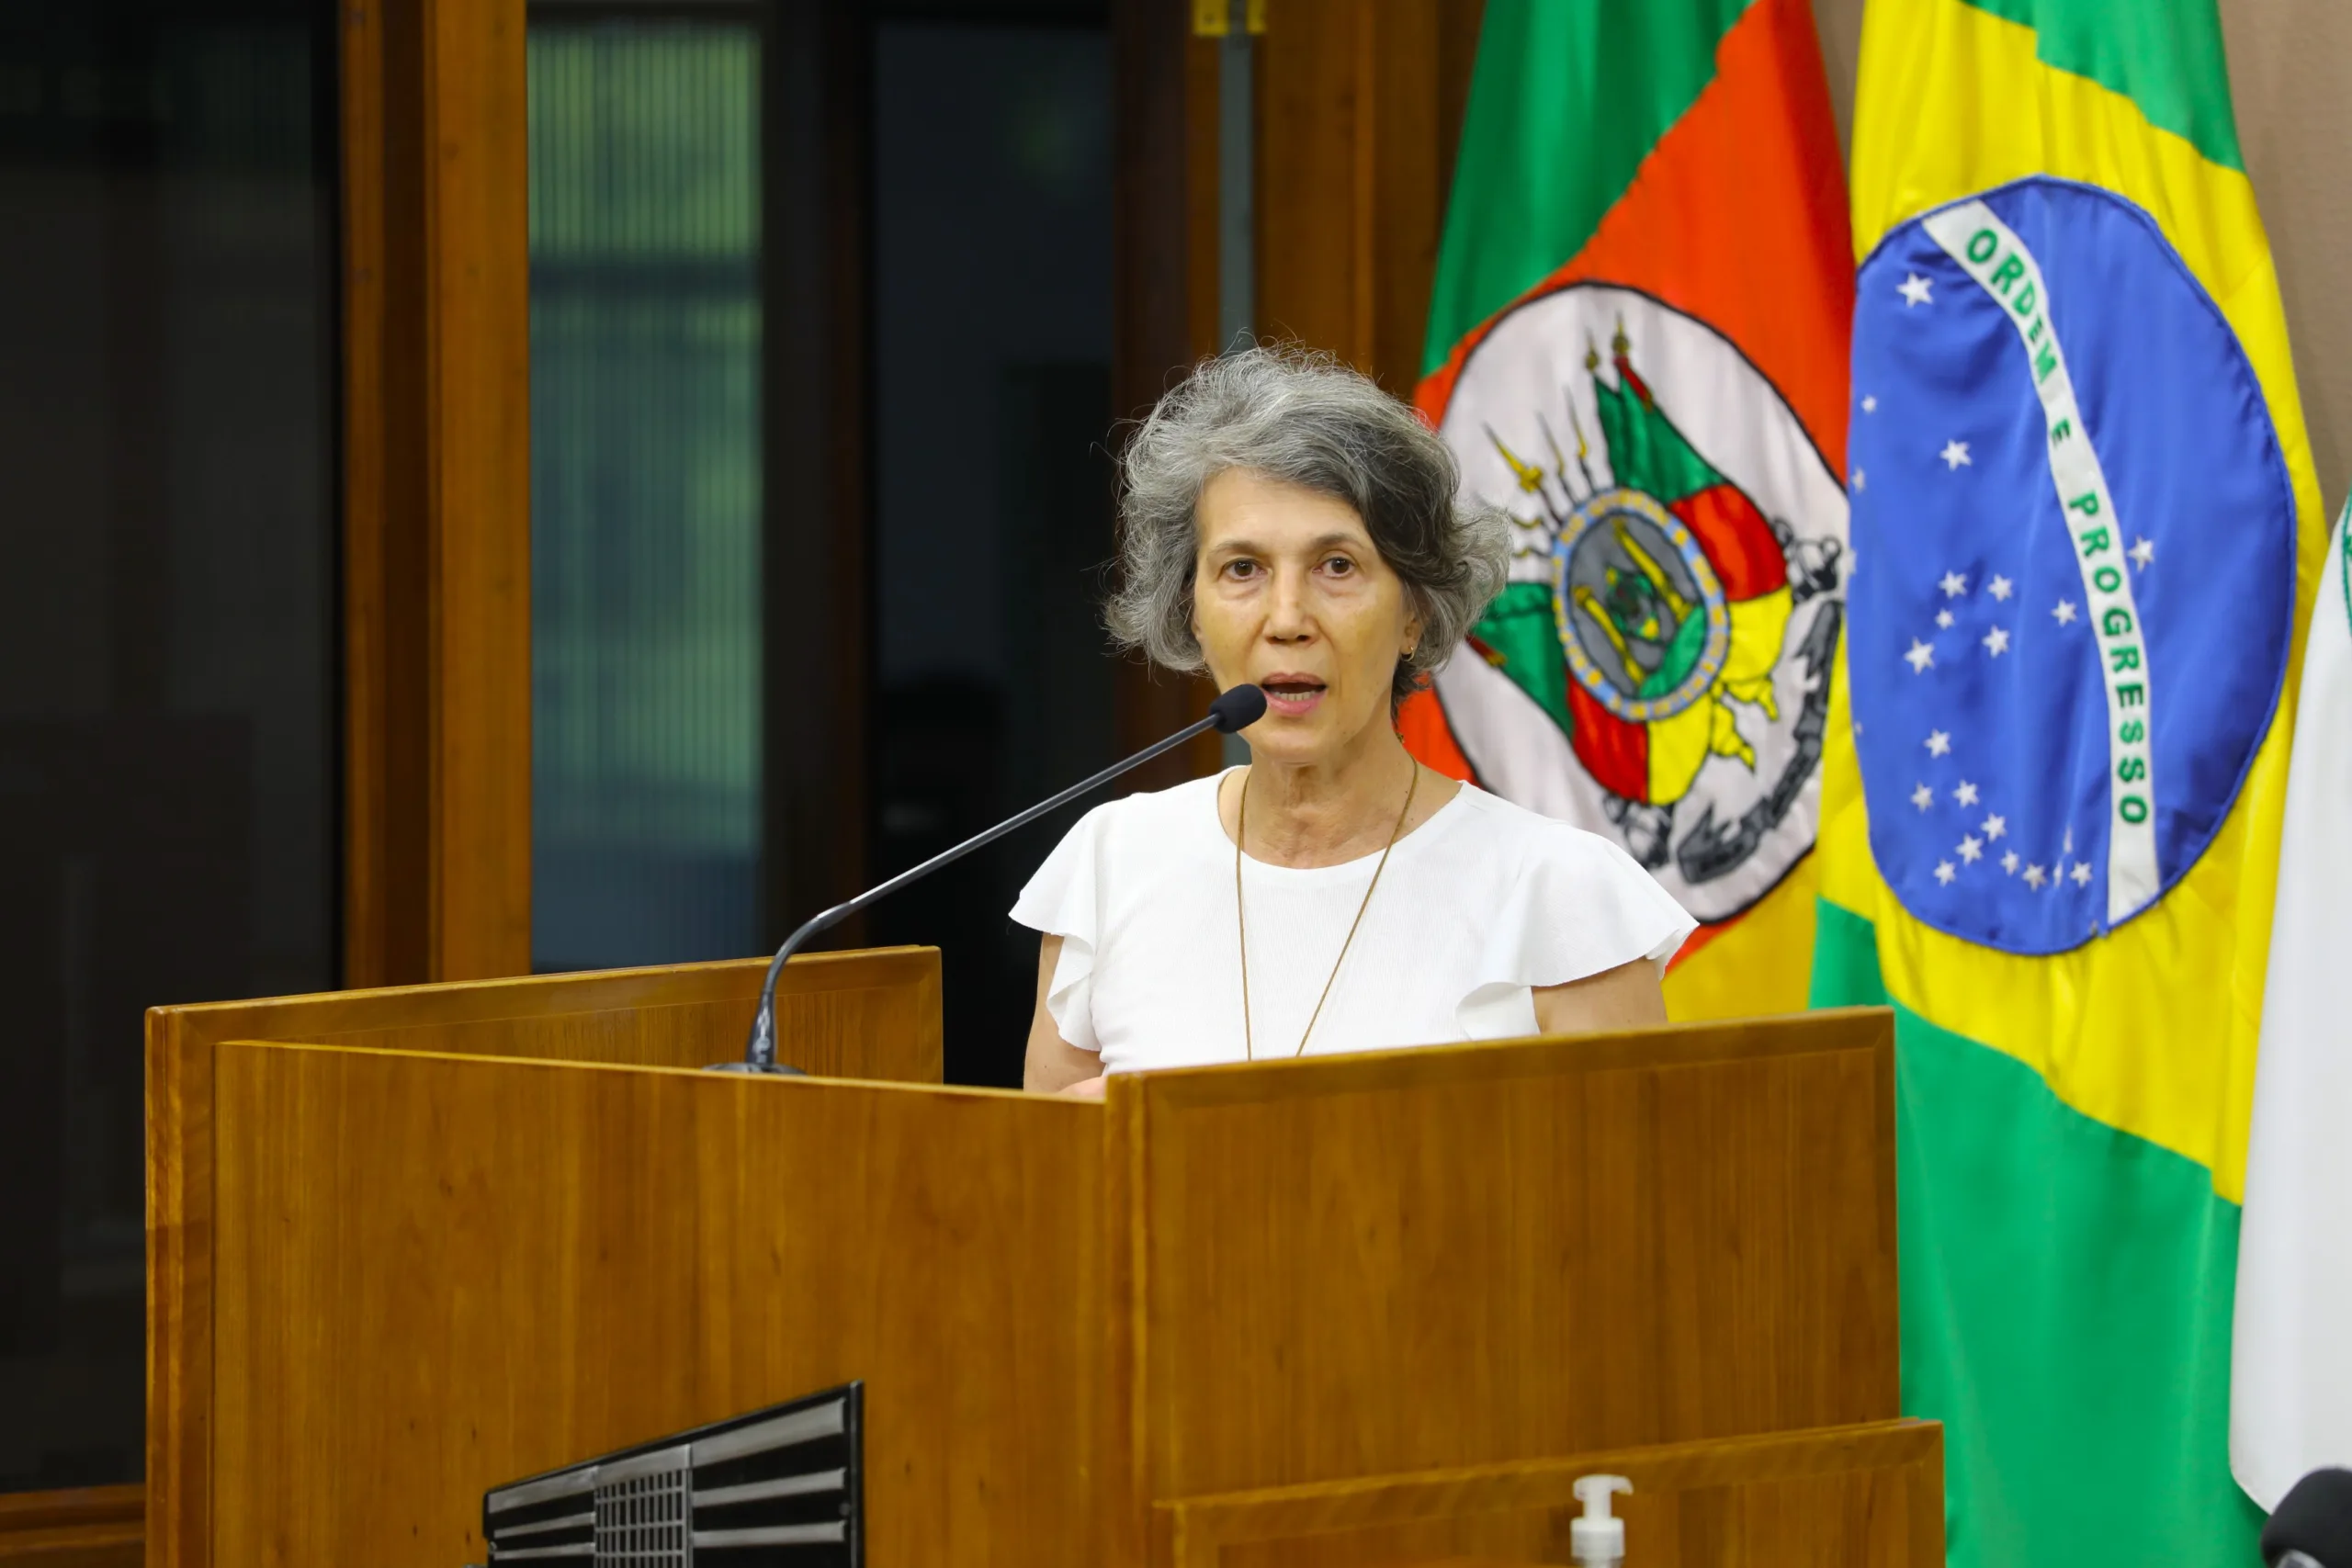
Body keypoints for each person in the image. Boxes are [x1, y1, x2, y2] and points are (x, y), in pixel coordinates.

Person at [1016, 346, 1694, 1098]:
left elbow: (1628, 1208)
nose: (1287, 619)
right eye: (1242, 568)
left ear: (1414, 612)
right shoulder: (1112, 865)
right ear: (1192, 612)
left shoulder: (1560, 893)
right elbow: (1055, 1194)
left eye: (1337, 565)